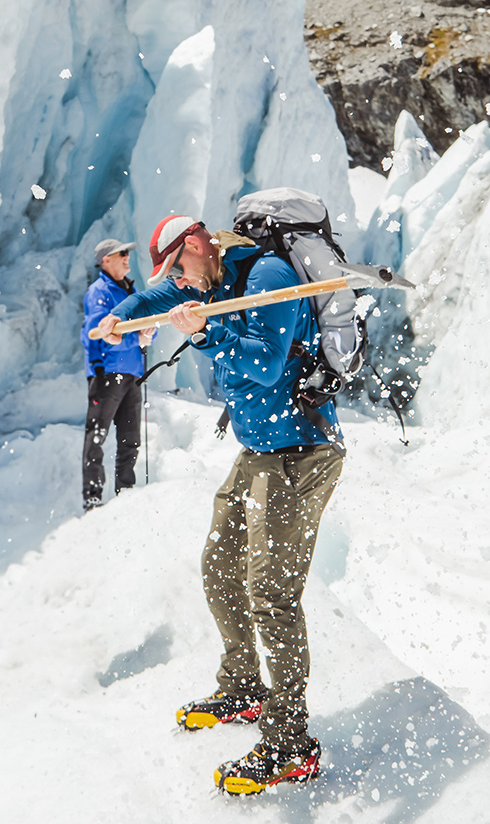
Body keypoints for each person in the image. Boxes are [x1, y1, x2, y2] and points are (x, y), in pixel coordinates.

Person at [95, 215, 344, 795]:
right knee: (220, 570)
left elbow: (266, 365)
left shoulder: (268, 277)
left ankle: (291, 744)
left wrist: (209, 335)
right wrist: (122, 316)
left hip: (299, 451)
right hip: (259, 452)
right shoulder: (210, 277)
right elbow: (161, 294)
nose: (177, 280)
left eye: (177, 264)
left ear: (196, 247)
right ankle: (244, 687)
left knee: (272, 595)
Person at [79, 238, 154, 513]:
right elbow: (99, 335)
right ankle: (92, 500)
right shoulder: (98, 292)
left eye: (127, 253)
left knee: (130, 438)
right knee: (97, 437)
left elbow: (146, 326)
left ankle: (126, 494)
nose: (127, 258)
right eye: (121, 253)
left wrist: (148, 334)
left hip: (132, 374)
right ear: (105, 260)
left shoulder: (130, 291)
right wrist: (138, 338)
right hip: (106, 375)